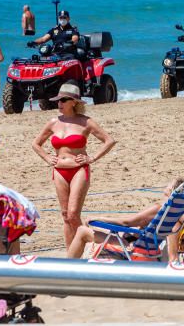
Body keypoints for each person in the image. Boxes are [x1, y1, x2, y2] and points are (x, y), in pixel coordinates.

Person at [31, 83, 116, 247]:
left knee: (73, 214)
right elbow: (36, 144)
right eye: (58, 100)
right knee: (65, 215)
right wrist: (47, 157)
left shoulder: (86, 122)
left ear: (74, 102)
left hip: (79, 170)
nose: (59, 103)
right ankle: (71, 255)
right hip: (59, 171)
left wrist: (92, 158)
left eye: (63, 100)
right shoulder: (53, 122)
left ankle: (96, 243)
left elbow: (109, 141)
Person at [67, 177, 184, 261]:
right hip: (148, 247)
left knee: (82, 231)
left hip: (132, 247)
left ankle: (64, 271)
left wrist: (98, 218)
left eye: (169, 184)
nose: (166, 186)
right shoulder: (174, 211)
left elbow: (126, 222)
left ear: (172, 190)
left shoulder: (159, 209)